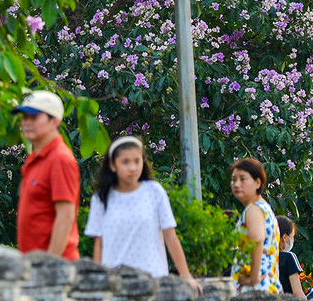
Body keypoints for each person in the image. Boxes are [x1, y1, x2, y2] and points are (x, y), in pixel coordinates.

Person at [83, 135, 197, 288]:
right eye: (125, 162)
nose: (132, 167)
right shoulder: (101, 198)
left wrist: (186, 276)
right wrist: (97, 282)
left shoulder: (154, 192)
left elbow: (170, 236)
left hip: (153, 282)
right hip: (115, 284)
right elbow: (99, 243)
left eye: (137, 161)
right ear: (112, 165)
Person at [13, 90, 80, 259]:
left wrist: (49, 264)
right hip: (34, 263)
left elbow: (66, 216)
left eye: (34, 118)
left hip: (54, 266)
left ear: (54, 121)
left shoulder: (60, 159)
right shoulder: (35, 157)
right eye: (24, 117)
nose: (27, 123)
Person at [227, 158, 280, 292]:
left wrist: (254, 277)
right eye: (234, 179)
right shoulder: (263, 207)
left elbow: (257, 239)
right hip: (266, 284)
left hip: (255, 288)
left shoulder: (254, 209)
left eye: (243, 179)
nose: (237, 184)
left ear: (257, 183)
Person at [276, 215, 304, 296]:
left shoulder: (262, 257)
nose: (292, 240)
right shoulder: (288, 257)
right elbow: (297, 292)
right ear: (284, 237)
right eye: (292, 236)